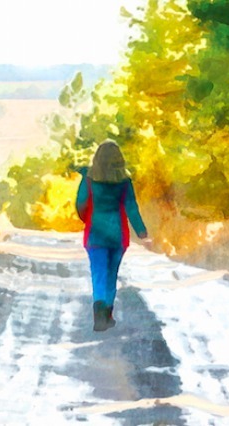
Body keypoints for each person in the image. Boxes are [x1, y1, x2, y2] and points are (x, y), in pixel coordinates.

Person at [75, 140, 150, 332]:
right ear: (119, 160)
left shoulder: (89, 180)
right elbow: (131, 208)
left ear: (97, 159)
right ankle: (108, 314)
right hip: (118, 235)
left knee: (99, 273)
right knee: (111, 274)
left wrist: (89, 219)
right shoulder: (124, 183)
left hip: (95, 235)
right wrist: (142, 232)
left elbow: (81, 204)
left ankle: (99, 316)